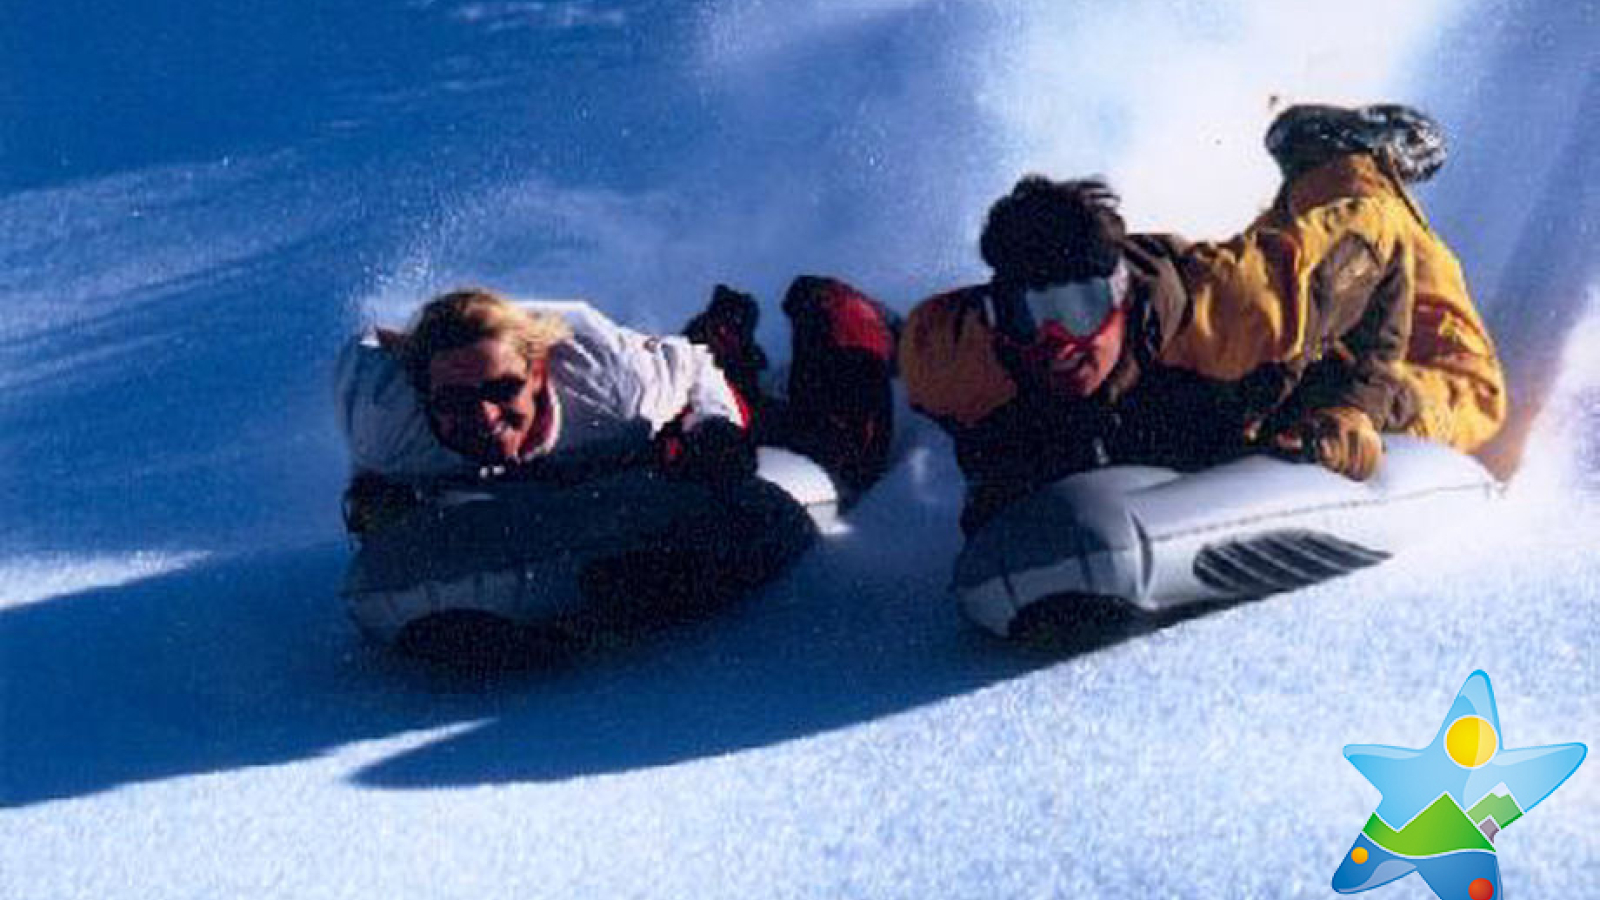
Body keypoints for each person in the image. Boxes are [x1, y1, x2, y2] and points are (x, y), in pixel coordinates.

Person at [899, 102, 1506, 534]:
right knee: (1277, 264)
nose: (1060, 342)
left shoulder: (1231, 312)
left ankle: (1342, 157)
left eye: (1079, 311)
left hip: (1285, 364)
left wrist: (1357, 405)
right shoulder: (957, 356)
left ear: (1116, 298)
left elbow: (1383, 242)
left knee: (1473, 394)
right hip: (1216, 353)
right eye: (1033, 316)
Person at [337, 278, 897, 534]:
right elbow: (367, 351)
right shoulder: (386, 419)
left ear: (537, 373)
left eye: (501, 391)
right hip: (569, 436)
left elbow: (696, 369)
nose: (483, 417)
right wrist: (376, 496)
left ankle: (832, 308)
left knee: (840, 452)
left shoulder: (610, 385)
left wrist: (715, 430)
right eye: (455, 401)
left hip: (651, 403)